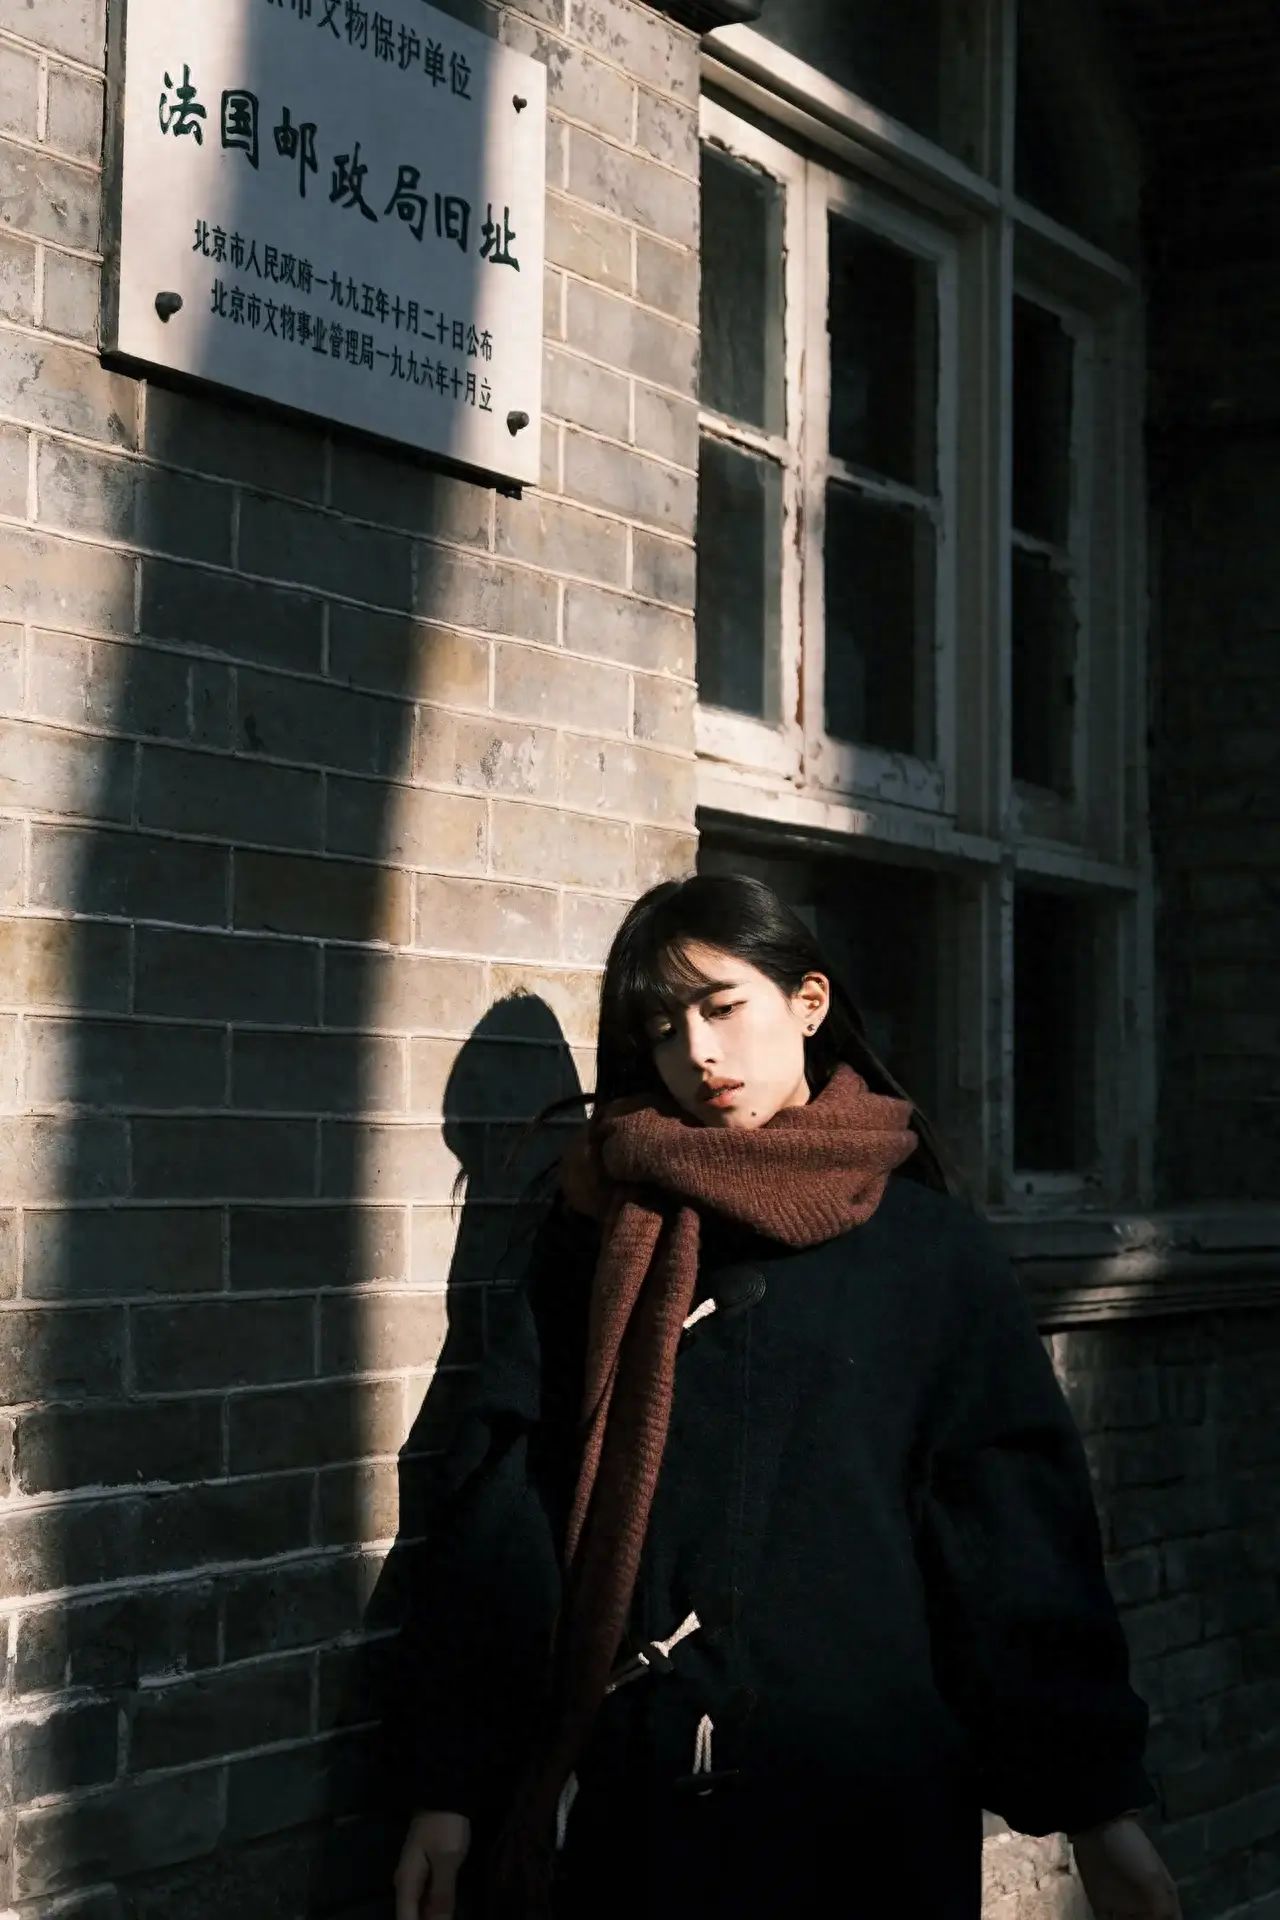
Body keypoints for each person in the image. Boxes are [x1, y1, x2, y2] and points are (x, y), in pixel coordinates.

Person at [392, 874, 1182, 1920]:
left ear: (806, 1003)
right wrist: (453, 1787)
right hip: (638, 1808)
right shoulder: (604, 1235)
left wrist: (1096, 1810)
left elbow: (1013, 1540)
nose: (697, 1054)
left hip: (865, 1810)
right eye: (664, 1028)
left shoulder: (926, 1252)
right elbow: (510, 1514)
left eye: (722, 1007)